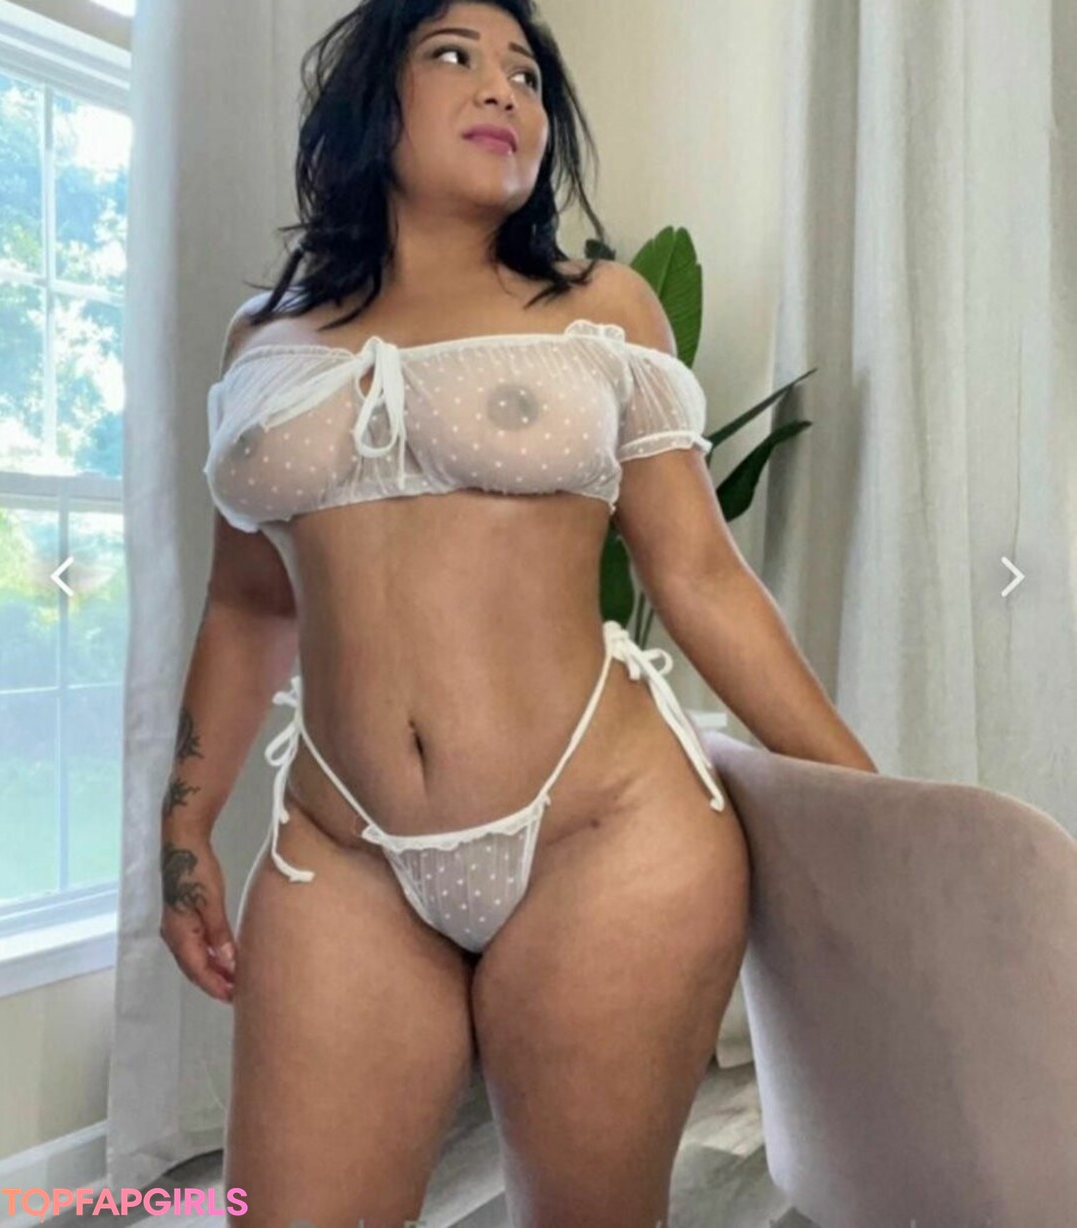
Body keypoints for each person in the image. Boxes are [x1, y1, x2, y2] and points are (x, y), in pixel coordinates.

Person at [159, 1, 874, 1224]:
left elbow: (699, 578)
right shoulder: (262, 337)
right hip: (344, 850)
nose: (505, 89)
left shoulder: (605, 309)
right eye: (454, 57)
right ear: (369, 103)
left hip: (605, 835)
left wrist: (870, 810)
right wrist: (181, 831)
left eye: (528, 75)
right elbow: (246, 604)